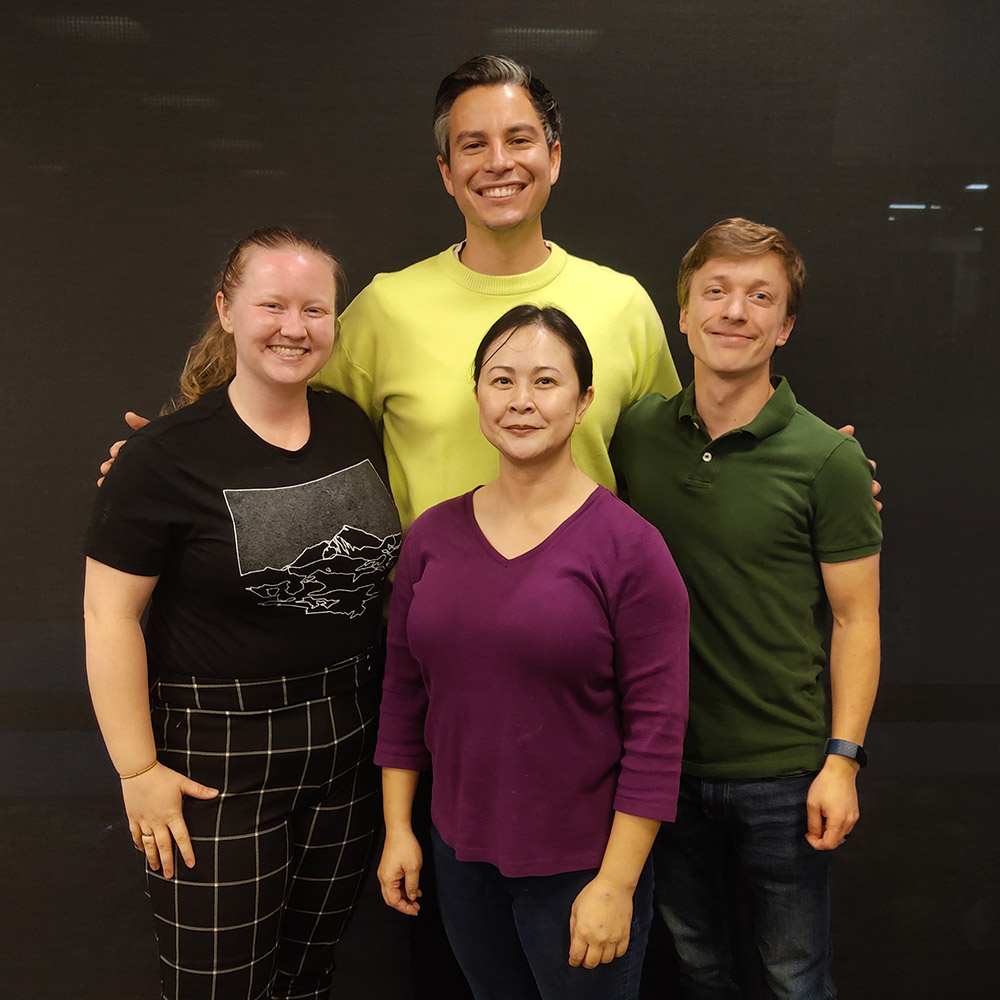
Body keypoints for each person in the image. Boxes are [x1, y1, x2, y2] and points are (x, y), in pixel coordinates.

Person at [84, 227, 401, 1000]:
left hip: (347, 742)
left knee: (307, 974)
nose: (294, 327)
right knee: (220, 988)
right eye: (272, 305)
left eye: (314, 309)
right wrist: (136, 769)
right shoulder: (164, 457)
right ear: (226, 311)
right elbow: (108, 615)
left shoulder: (353, 426)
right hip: (217, 761)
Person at [374, 304, 690, 1000]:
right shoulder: (431, 536)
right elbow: (402, 693)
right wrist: (400, 829)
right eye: (501, 379)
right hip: (460, 859)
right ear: (478, 395)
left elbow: (659, 733)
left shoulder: (630, 548)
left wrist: (615, 883)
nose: (521, 401)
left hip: (582, 870)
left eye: (546, 382)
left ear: (583, 402)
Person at [611, 218, 882, 999]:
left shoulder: (825, 458)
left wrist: (843, 760)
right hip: (661, 763)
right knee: (697, 970)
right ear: (684, 315)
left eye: (761, 297)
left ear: (785, 325)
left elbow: (857, 619)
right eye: (717, 292)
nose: (736, 311)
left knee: (795, 977)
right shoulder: (636, 434)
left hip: (784, 771)